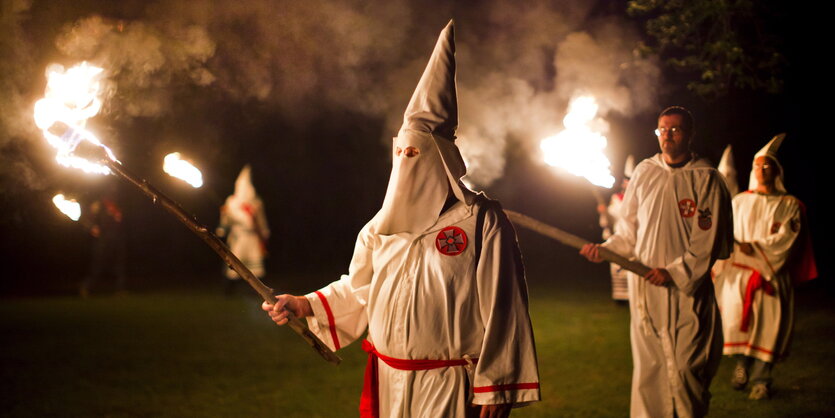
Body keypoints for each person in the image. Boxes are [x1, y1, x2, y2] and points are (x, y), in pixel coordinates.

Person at [263, 21, 540, 417]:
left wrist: (495, 385)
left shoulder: (480, 222)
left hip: (446, 384)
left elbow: (505, 306)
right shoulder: (381, 227)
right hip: (388, 380)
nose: (406, 165)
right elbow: (362, 290)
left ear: (440, 160)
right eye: (402, 154)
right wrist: (305, 304)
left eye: (416, 155)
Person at [580, 106, 733, 418]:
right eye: (662, 130)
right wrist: (606, 249)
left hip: (686, 292)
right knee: (650, 369)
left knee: (688, 368)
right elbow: (628, 232)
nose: (667, 136)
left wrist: (675, 272)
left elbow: (707, 240)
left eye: (675, 130)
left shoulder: (706, 179)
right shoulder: (645, 173)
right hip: (646, 288)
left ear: (690, 135)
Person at [712, 134, 817, 400]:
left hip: (771, 274)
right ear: (752, 170)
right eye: (758, 165)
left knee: (769, 327)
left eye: (768, 165)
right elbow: (727, 234)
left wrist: (753, 248)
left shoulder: (789, 205)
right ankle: (741, 366)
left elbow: (785, 240)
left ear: (777, 170)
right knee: (737, 322)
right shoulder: (740, 202)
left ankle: (762, 379)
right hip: (739, 275)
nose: (763, 170)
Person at [217, 165, 270, 295]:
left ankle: (259, 292)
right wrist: (224, 217)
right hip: (238, 237)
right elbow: (226, 222)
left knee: (256, 267)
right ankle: (228, 292)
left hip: (252, 237)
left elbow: (261, 220)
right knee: (235, 265)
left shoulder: (256, 202)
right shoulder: (231, 201)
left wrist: (264, 233)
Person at [79, 184, 127, 297]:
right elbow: (87, 220)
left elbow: (122, 221)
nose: (113, 195)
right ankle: (87, 288)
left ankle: (120, 290)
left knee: (119, 265)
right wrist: (92, 228)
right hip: (103, 239)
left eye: (114, 193)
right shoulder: (98, 205)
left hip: (116, 238)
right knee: (97, 265)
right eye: (111, 193)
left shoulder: (118, 206)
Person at [598, 155, 634, 303]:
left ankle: (631, 297)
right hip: (617, 236)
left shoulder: (638, 199)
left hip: (632, 239)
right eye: (626, 181)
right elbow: (608, 221)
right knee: (617, 270)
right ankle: (620, 299)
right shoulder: (616, 198)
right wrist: (604, 212)